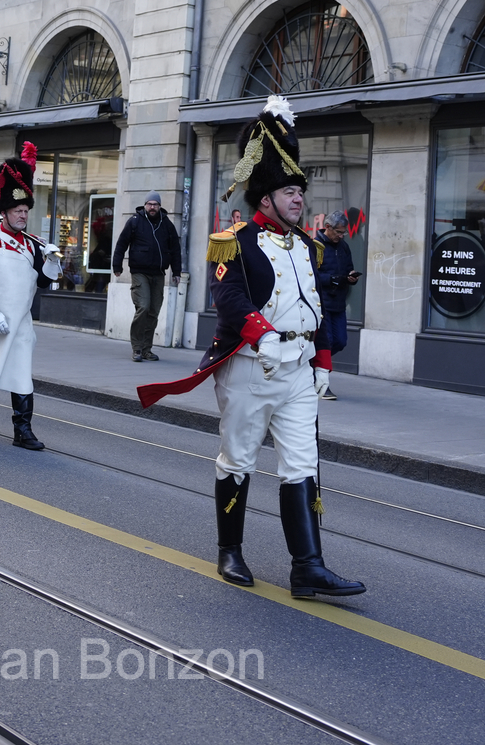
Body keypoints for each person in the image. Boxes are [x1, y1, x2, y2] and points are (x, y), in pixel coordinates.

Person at [136, 95, 365, 600]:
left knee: (302, 464)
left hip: (299, 371)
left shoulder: (309, 246)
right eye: (288, 191)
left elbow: (318, 308)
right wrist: (263, 336)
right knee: (238, 458)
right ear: (265, 199)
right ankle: (230, 550)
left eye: (299, 190)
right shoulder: (233, 241)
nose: (298, 198)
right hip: (250, 369)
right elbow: (231, 300)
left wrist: (323, 361)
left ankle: (307, 567)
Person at [0, 142, 62, 449]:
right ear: (4, 211)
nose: (23, 215)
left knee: (21, 375)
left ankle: (23, 429)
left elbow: (43, 283)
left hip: (19, 323)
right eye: (18, 210)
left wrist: (52, 261)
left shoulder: (32, 244)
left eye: (25, 211)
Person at [111, 190, 183, 362]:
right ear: (145, 205)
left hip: (158, 274)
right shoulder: (135, 222)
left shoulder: (167, 224)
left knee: (153, 312)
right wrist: (117, 266)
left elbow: (175, 250)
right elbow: (122, 244)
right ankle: (137, 348)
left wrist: (177, 272)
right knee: (143, 306)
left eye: (155, 204)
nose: (152, 207)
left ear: (159, 206)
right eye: (150, 204)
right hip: (139, 272)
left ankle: (146, 350)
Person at [313, 210, 360, 402]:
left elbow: (348, 267)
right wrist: (330, 279)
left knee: (340, 341)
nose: (341, 236)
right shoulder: (315, 246)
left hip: (338, 302)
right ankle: (320, 379)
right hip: (321, 302)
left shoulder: (344, 247)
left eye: (344, 233)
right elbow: (311, 275)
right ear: (328, 227)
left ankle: (312, 366)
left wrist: (351, 277)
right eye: (339, 232)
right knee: (327, 341)